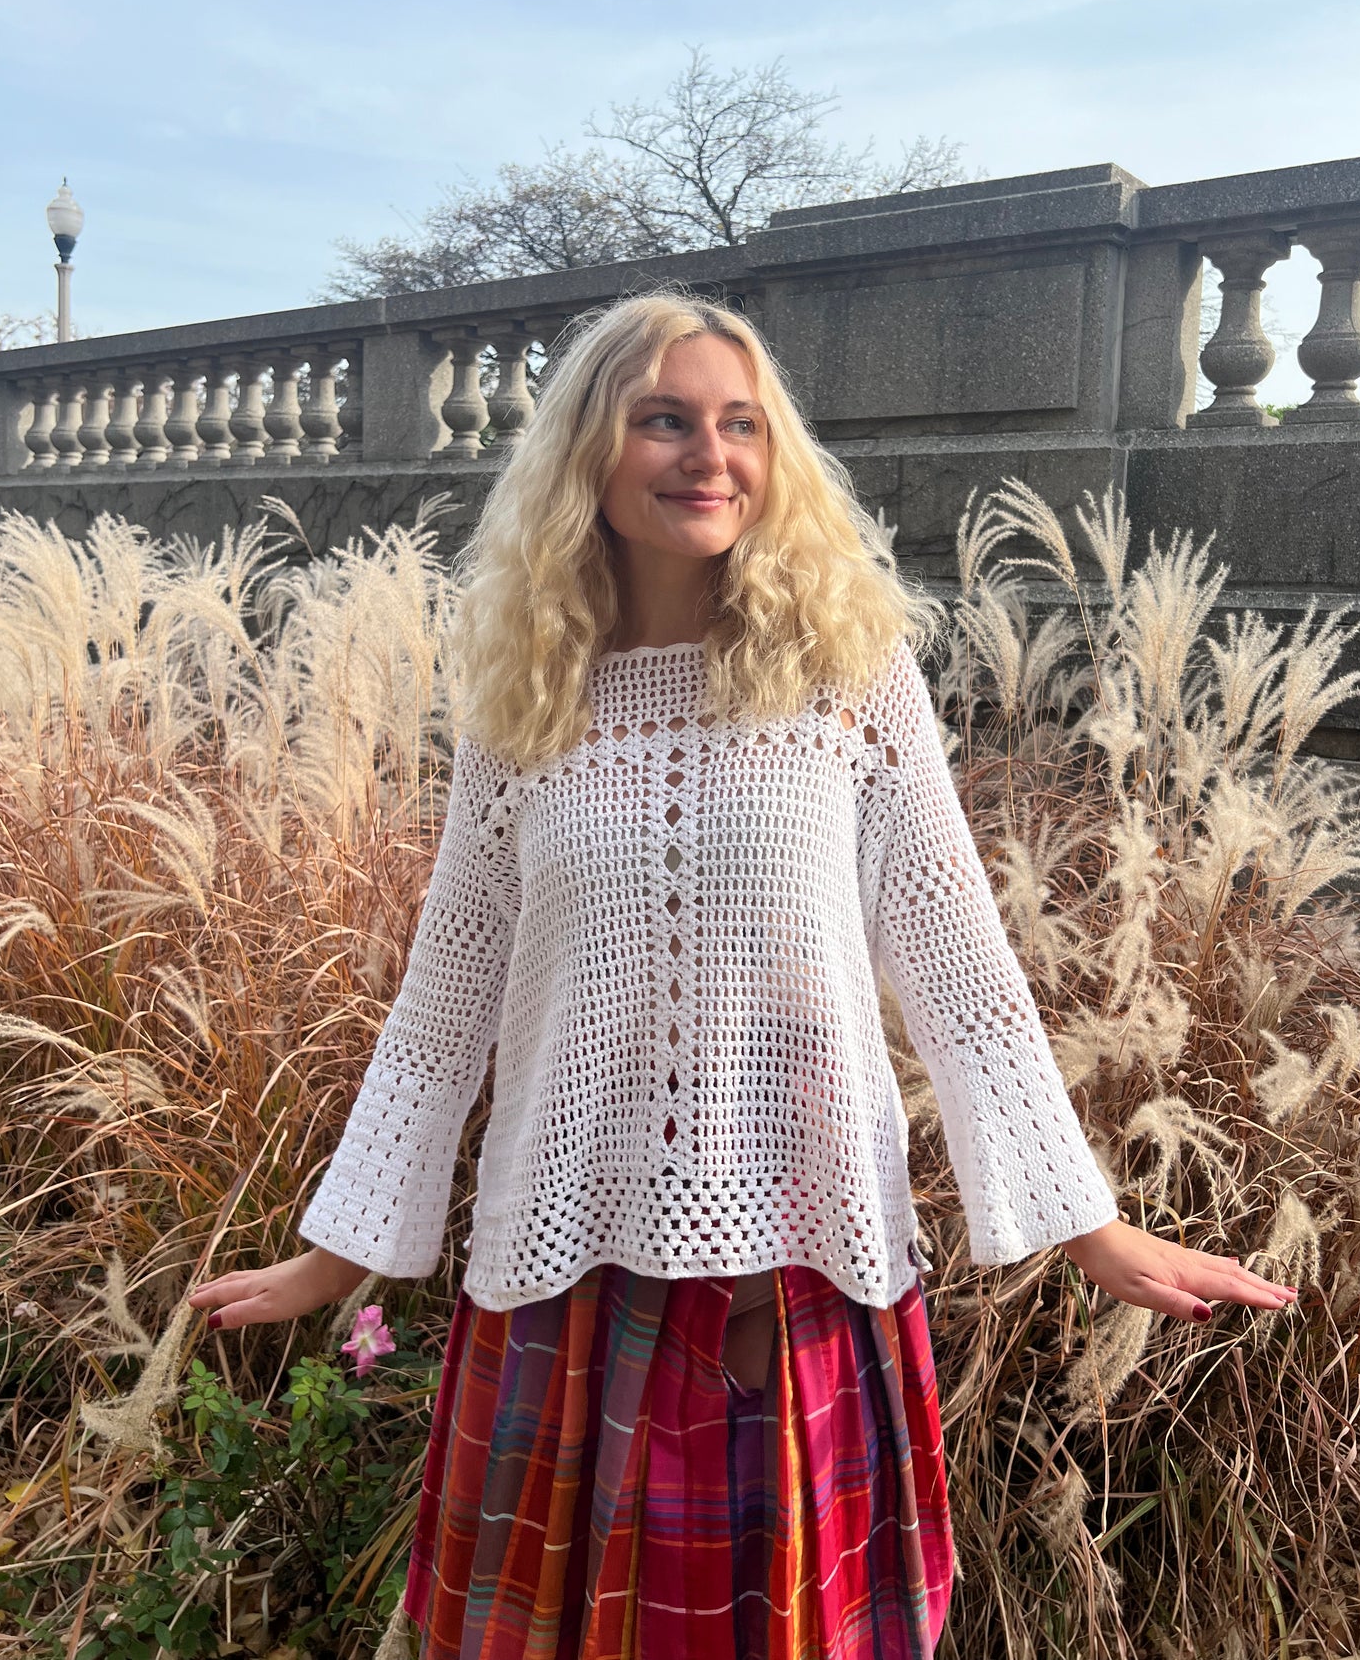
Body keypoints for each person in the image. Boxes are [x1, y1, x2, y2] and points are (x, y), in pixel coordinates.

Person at [188, 291, 1298, 1658]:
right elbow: (447, 996)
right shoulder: (523, 699)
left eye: (738, 425)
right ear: (588, 453)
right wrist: (338, 1248)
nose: (706, 455)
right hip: (563, 1270)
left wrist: (1090, 1229)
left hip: (800, 1276)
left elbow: (960, 970)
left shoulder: (847, 675)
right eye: (663, 420)